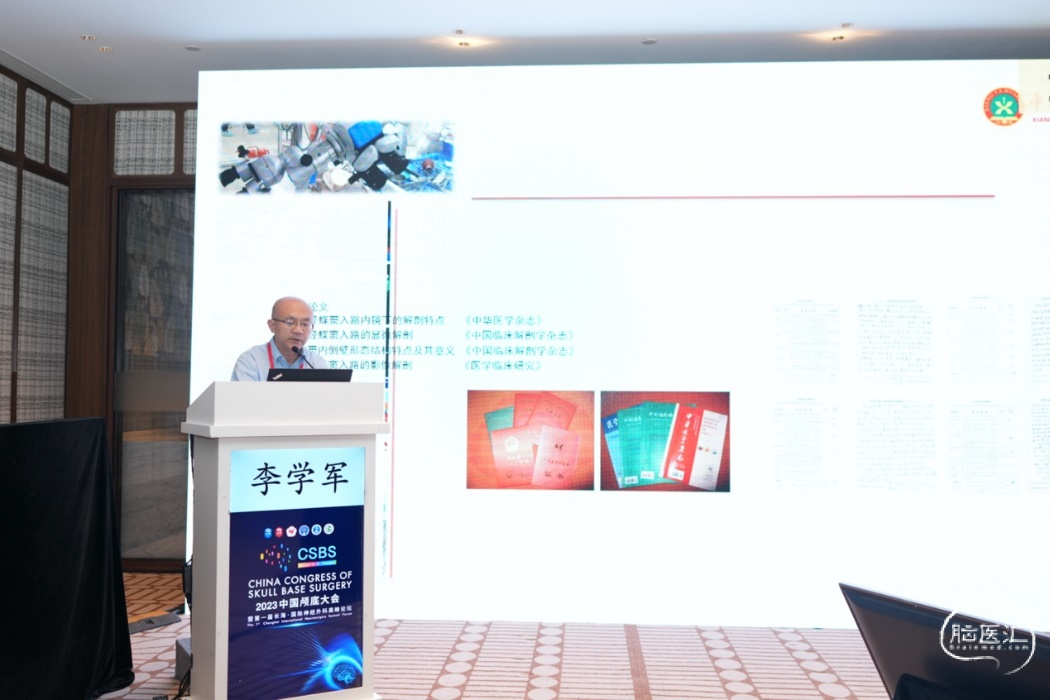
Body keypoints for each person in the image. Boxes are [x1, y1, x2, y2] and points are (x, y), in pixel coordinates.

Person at [231, 296, 328, 381]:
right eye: (290, 322)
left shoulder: (316, 363)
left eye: (305, 324)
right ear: (272, 325)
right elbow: (243, 396)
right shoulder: (251, 361)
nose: (298, 330)